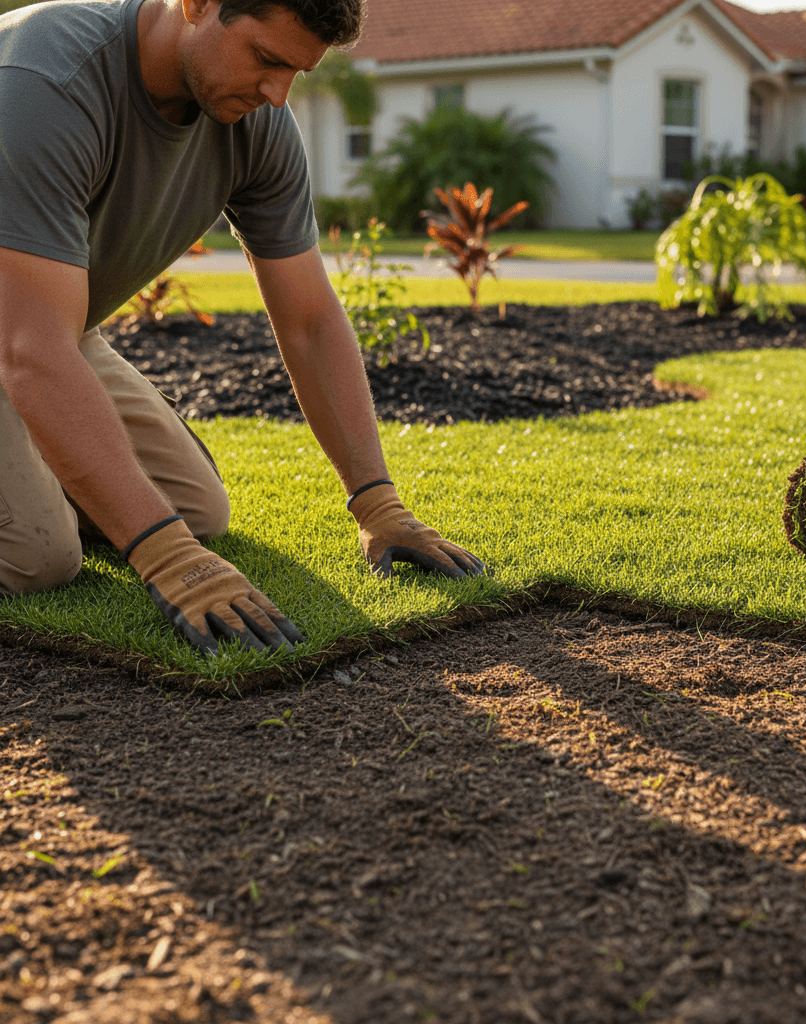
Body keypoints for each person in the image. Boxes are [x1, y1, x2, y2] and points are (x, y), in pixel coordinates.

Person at [0, 0, 485, 655]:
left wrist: (378, 504)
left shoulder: (255, 122)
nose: (277, 94)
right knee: (38, 557)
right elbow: (31, 352)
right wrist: (168, 559)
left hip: (47, 326)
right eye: (265, 58)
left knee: (196, 509)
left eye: (295, 73)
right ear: (197, 5)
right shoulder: (45, 84)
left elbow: (309, 321)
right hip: (27, 335)